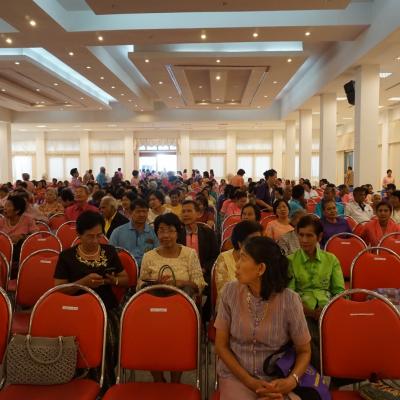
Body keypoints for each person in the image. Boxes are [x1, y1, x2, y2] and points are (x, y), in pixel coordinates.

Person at [215, 236, 311, 400]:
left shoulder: (289, 300)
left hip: (277, 377)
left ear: (260, 269)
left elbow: (304, 351)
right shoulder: (230, 292)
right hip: (237, 376)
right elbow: (221, 346)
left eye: (243, 259)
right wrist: (250, 381)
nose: (237, 265)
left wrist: (291, 381)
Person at [54, 211, 129, 387]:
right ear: (79, 235)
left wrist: (111, 281)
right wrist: (83, 283)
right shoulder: (67, 256)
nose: (95, 241)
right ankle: (81, 383)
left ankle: (104, 383)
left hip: (106, 308)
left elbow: (125, 279)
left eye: (99, 236)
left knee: (109, 342)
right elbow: (59, 290)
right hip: (75, 310)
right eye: (90, 236)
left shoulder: (109, 251)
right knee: (79, 343)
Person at [138, 213, 206, 383]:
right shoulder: (149, 256)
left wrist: (180, 283)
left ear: (178, 232)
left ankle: (176, 380)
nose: (166, 235)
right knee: (150, 341)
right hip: (153, 310)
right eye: (161, 231)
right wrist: (156, 283)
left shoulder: (189, 254)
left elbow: (199, 284)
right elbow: (140, 286)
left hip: (181, 310)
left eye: (170, 230)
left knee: (177, 343)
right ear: (156, 233)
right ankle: (158, 379)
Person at [288, 215, 345, 369]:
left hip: (329, 309)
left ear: (319, 237)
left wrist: (328, 310)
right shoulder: (290, 261)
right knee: (308, 331)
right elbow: (289, 295)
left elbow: (339, 291)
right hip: (302, 312)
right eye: (301, 235)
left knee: (343, 330)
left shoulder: (331, 260)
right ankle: (323, 372)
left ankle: (340, 371)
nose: (304, 240)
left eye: (309, 235)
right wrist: (311, 313)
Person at [215, 221, 263, 305]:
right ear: (240, 243)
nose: (257, 245)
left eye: (259, 241)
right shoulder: (224, 258)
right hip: (232, 305)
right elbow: (223, 293)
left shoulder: (263, 258)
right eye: (252, 241)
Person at [109, 199, 159, 267]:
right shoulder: (118, 232)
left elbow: (157, 253)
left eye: (144, 211)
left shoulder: (153, 232)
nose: (142, 214)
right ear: (131, 212)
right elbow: (111, 254)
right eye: (138, 211)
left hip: (148, 268)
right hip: (124, 269)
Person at [0, 195, 38, 262]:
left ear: (17, 210)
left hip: (19, 253)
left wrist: (22, 237)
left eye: (8, 206)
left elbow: (37, 236)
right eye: (5, 206)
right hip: (3, 251)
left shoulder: (28, 220)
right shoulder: (2, 221)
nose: (4, 208)